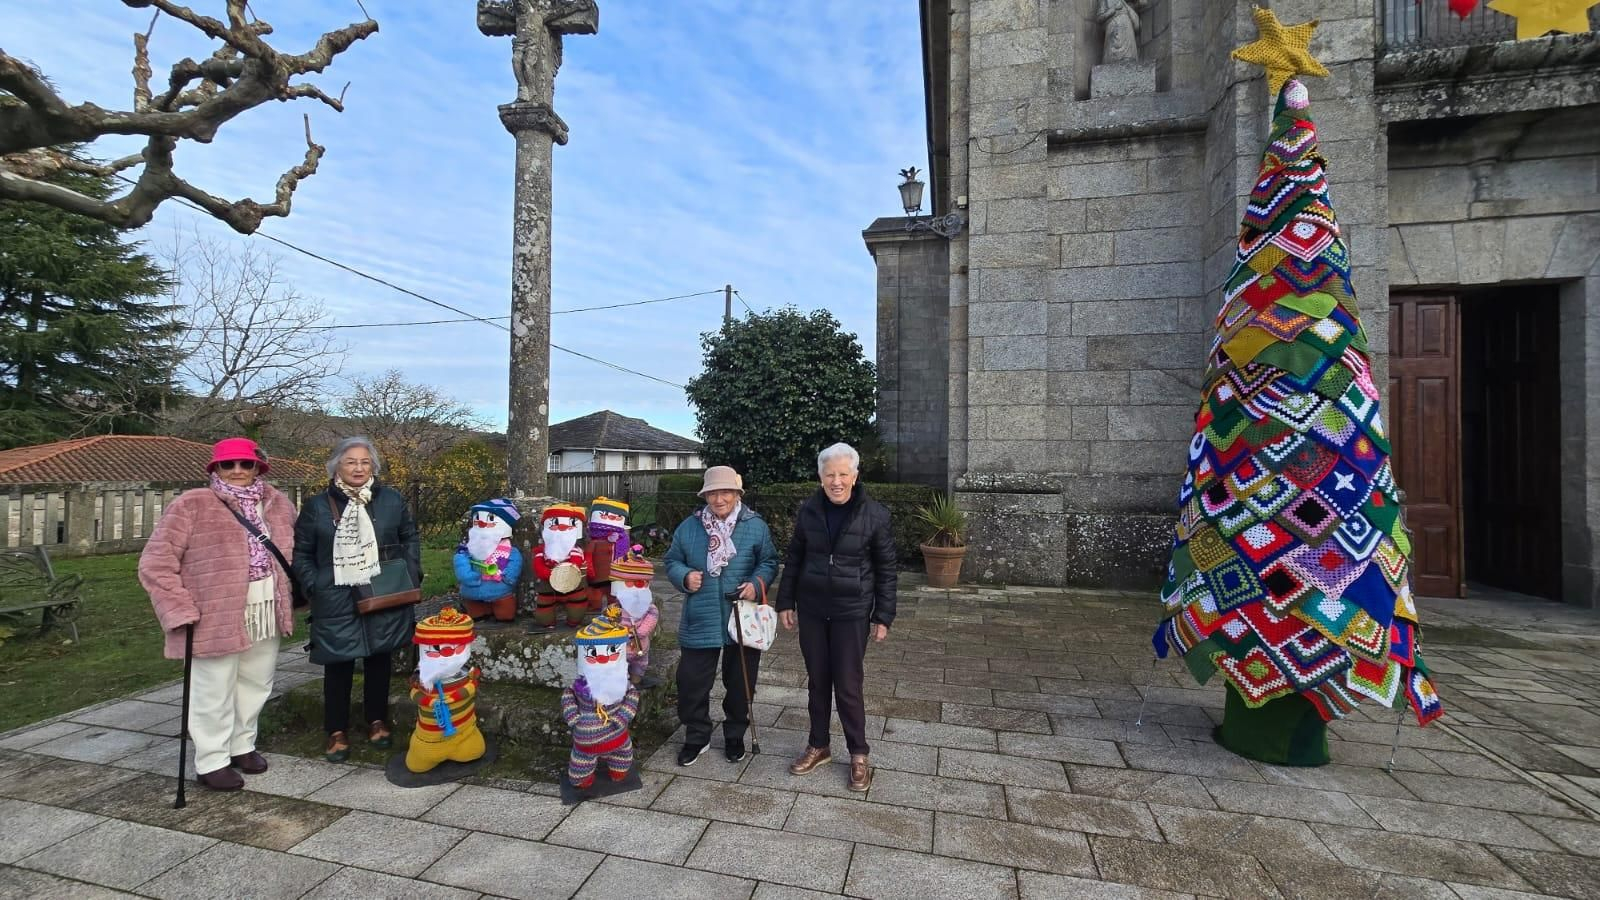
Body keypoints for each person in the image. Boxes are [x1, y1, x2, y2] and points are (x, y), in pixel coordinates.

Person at [139, 437, 297, 791]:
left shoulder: (279, 504)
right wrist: (177, 606)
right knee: (213, 686)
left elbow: (294, 552)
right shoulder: (192, 504)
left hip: (267, 606)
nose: (238, 471)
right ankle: (211, 759)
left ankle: (242, 744)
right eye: (229, 465)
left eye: (246, 464)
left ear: (258, 467)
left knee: (256, 682)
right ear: (216, 469)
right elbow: (155, 563)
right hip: (213, 612)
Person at [292, 437, 420, 762]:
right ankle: (336, 729)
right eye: (351, 461)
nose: (358, 468)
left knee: (379, 658)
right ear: (336, 465)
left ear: (373, 466)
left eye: (365, 462)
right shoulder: (317, 506)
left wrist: (412, 571)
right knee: (338, 663)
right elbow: (303, 553)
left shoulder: (390, 499)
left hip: (382, 590)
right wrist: (314, 586)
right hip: (335, 595)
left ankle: (376, 720)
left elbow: (409, 536)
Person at [778, 442, 896, 792]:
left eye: (843, 474)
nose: (837, 481)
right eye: (830, 474)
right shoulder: (808, 511)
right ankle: (819, 745)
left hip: (851, 611)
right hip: (813, 609)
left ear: (855, 476)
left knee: (847, 684)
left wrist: (883, 615)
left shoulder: (875, 514)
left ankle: (859, 752)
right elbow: (795, 558)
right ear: (820, 477)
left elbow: (887, 569)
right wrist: (786, 601)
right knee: (817, 681)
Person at [664, 465, 778, 765]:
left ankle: (734, 735)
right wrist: (685, 576)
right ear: (705, 496)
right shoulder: (689, 527)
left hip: (742, 618)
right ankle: (697, 736)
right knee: (690, 683)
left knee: (741, 683)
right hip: (700, 617)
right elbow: (672, 560)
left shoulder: (755, 526)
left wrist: (756, 584)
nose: (719, 499)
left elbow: (769, 562)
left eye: (725, 492)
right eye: (713, 493)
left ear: (736, 494)